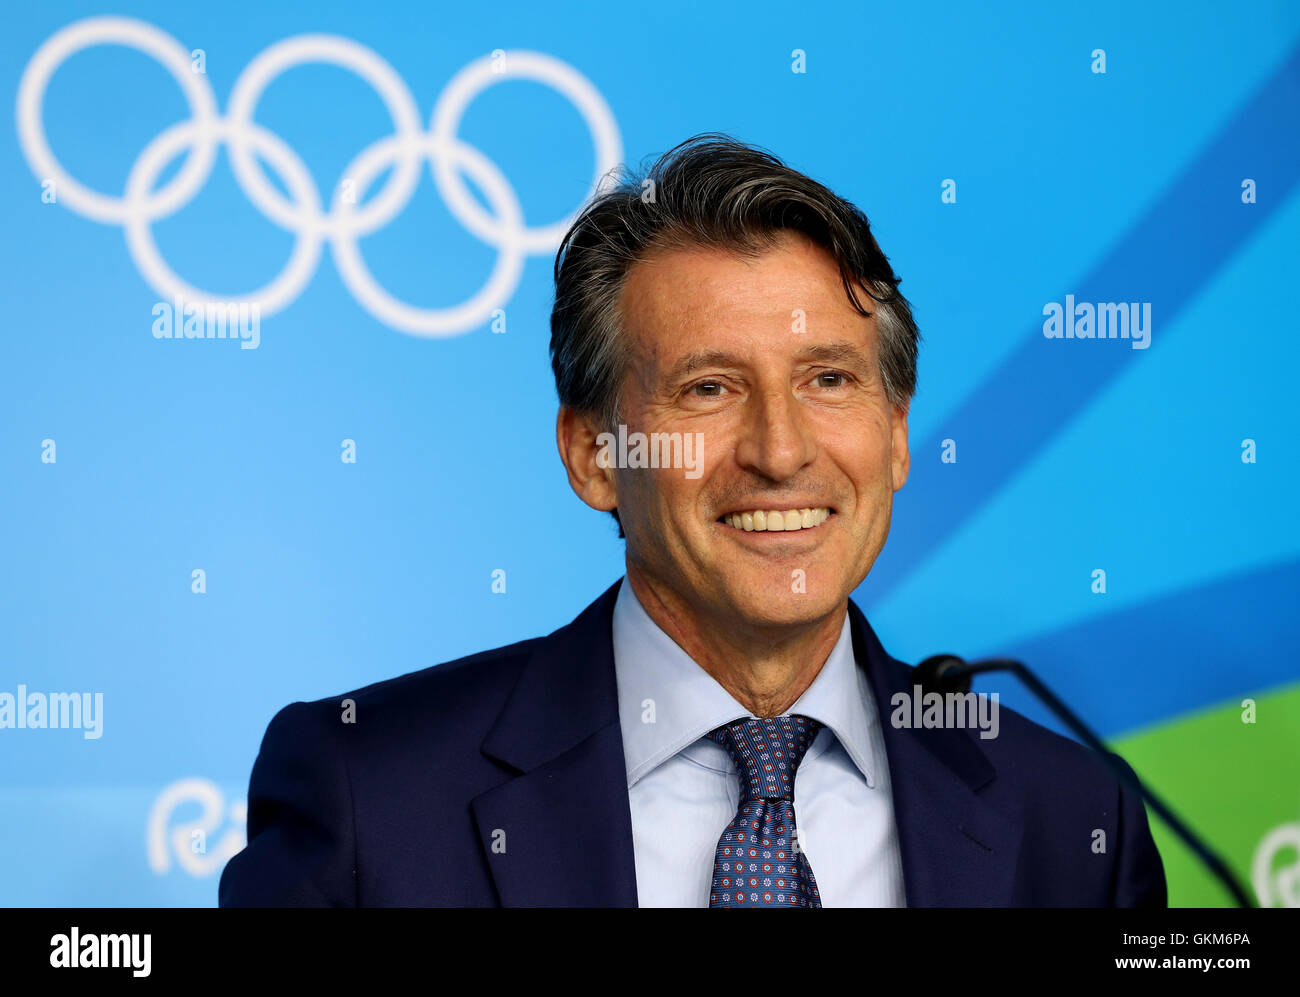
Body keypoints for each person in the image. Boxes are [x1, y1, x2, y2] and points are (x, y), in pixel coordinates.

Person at [219, 134, 1166, 907]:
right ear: (595, 454)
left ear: (898, 436)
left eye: (828, 380)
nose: (781, 450)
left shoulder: (1075, 819)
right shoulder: (369, 794)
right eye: (708, 388)